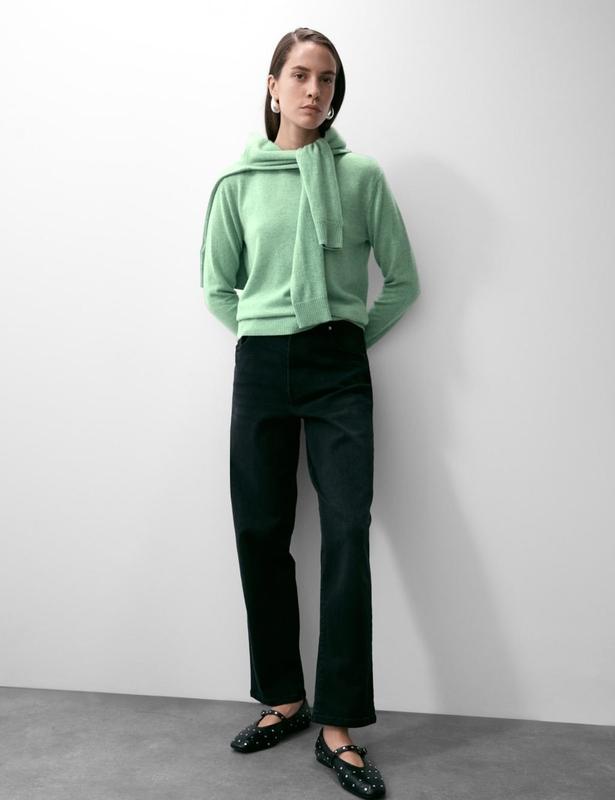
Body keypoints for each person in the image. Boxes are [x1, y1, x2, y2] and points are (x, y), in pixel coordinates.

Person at [200, 27, 420, 800]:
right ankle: (283, 699)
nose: (313, 90)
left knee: (345, 533)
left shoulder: (360, 177)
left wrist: (344, 334)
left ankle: (338, 725)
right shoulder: (236, 181)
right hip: (262, 365)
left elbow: (401, 280)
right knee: (260, 532)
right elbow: (217, 287)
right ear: (272, 85)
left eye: (326, 79)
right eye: (299, 75)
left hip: (337, 368)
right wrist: (267, 332)